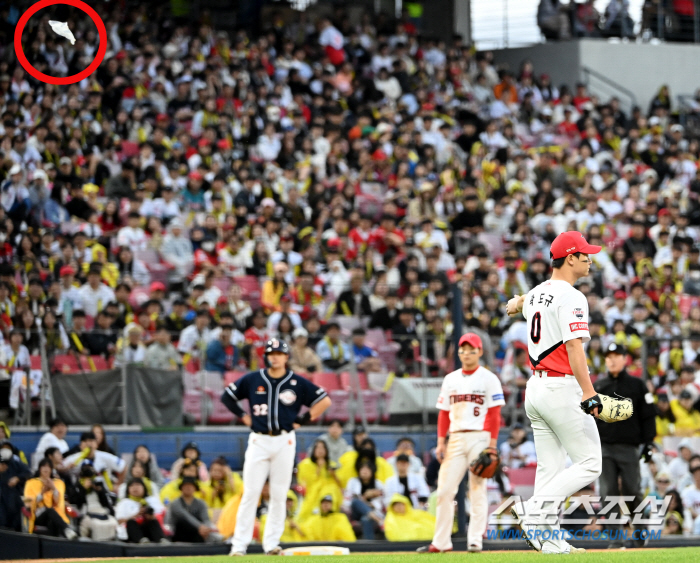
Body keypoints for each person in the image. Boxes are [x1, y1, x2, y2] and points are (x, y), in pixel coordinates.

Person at [506, 231, 603, 555]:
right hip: (561, 386)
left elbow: (522, 302)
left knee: (550, 468)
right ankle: (532, 511)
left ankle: (548, 539)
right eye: (585, 254)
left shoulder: (536, 293)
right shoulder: (573, 296)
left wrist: (514, 303)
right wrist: (590, 394)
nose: (590, 259)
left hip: (535, 388)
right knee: (590, 463)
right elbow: (574, 346)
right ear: (570, 258)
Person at [221, 338, 332, 555]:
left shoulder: (296, 382)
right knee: (251, 493)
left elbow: (324, 401)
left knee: (280, 494)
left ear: (286, 357)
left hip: (284, 439)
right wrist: (243, 416)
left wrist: (303, 419)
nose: (275, 357)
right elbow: (227, 397)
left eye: (279, 353)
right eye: (271, 353)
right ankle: (239, 545)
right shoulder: (254, 379)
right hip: (259, 439)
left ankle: (271, 544)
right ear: (266, 357)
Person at [417, 333, 505, 554]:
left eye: (471, 349)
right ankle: (441, 542)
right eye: (463, 350)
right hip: (455, 437)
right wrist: (440, 441)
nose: (467, 353)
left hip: (479, 436)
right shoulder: (451, 379)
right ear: (458, 352)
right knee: (445, 491)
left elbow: (495, 414)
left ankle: (475, 539)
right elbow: (444, 414)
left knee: (476, 488)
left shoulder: (489, 378)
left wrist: (492, 444)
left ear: (480, 352)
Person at [593, 342, 657, 546]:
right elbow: (589, 418)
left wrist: (648, 443)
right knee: (607, 493)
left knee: (632, 490)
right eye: (608, 356)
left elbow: (648, 416)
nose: (611, 360)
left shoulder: (637, 385)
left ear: (624, 359)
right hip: (604, 447)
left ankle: (639, 536)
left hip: (629, 448)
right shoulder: (599, 386)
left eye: (616, 355)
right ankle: (615, 540)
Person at [23, 458, 76, 538]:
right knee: (49, 510)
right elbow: (27, 503)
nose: (46, 469)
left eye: (48, 467)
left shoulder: (58, 483)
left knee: (52, 521)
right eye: (43, 466)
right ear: (39, 468)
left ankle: (51, 546)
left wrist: (54, 489)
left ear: (51, 469)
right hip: (38, 515)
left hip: (54, 515)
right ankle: (67, 529)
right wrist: (42, 492)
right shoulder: (30, 483)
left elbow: (58, 502)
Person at [67, 464, 118, 541]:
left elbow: (106, 503)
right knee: (96, 524)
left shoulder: (98, 486)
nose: (90, 480)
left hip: (102, 512)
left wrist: (100, 491)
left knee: (113, 522)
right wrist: (83, 489)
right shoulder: (76, 488)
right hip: (87, 513)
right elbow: (76, 503)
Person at [297, 439, 343, 520]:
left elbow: (340, 485)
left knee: (331, 489)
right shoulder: (305, 464)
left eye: (322, 448)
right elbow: (304, 483)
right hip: (312, 493)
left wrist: (333, 474)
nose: (320, 450)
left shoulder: (332, 464)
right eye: (318, 448)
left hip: (329, 493)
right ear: (314, 450)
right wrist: (319, 468)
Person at [167, 476, 222, 543]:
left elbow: (206, 519)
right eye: (186, 486)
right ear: (181, 488)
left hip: (198, 533)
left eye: (191, 486)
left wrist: (206, 529)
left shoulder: (201, 503)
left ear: (195, 488)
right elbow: (185, 516)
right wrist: (200, 527)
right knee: (183, 522)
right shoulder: (175, 503)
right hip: (179, 532)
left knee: (212, 533)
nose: (188, 488)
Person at [115, 477, 166, 543]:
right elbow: (120, 521)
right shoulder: (124, 503)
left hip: (147, 529)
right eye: (132, 485)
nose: (135, 488)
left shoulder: (151, 501)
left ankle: (161, 540)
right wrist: (136, 515)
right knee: (131, 522)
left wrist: (150, 517)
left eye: (138, 485)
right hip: (130, 532)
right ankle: (141, 540)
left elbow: (161, 515)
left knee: (153, 521)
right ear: (128, 489)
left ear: (144, 488)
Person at [343, 460, 385, 539]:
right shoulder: (352, 482)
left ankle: (369, 549)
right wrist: (365, 497)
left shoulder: (378, 483)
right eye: (362, 469)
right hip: (355, 513)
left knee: (366, 519)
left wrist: (369, 502)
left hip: (373, 512)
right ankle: (380, 521)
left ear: (372, 471)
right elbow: (347, 501)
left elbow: (381, 503)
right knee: (355, 501)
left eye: (367, 469)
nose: (364, 471)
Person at [0, 441, 32, 531]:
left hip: (13, 495)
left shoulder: (15, 462)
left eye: (8, 448)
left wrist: (17, 478)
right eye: (3, 448)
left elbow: (28, 472)